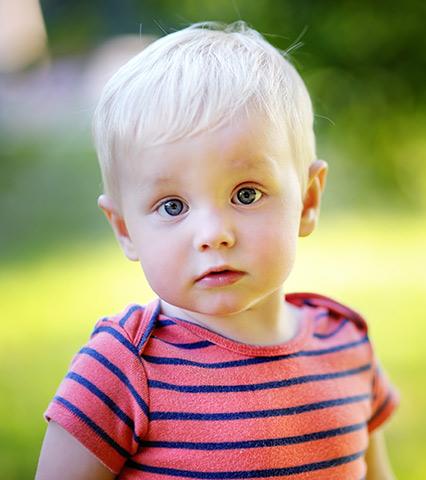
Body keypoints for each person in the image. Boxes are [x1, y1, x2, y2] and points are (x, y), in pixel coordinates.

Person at [35, 21, 398, 480]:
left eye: (246, 194)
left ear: (307, 200)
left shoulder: (346, 345)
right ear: (125, 229)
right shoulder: (122, 370)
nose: (213, 234)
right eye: (172, 205)